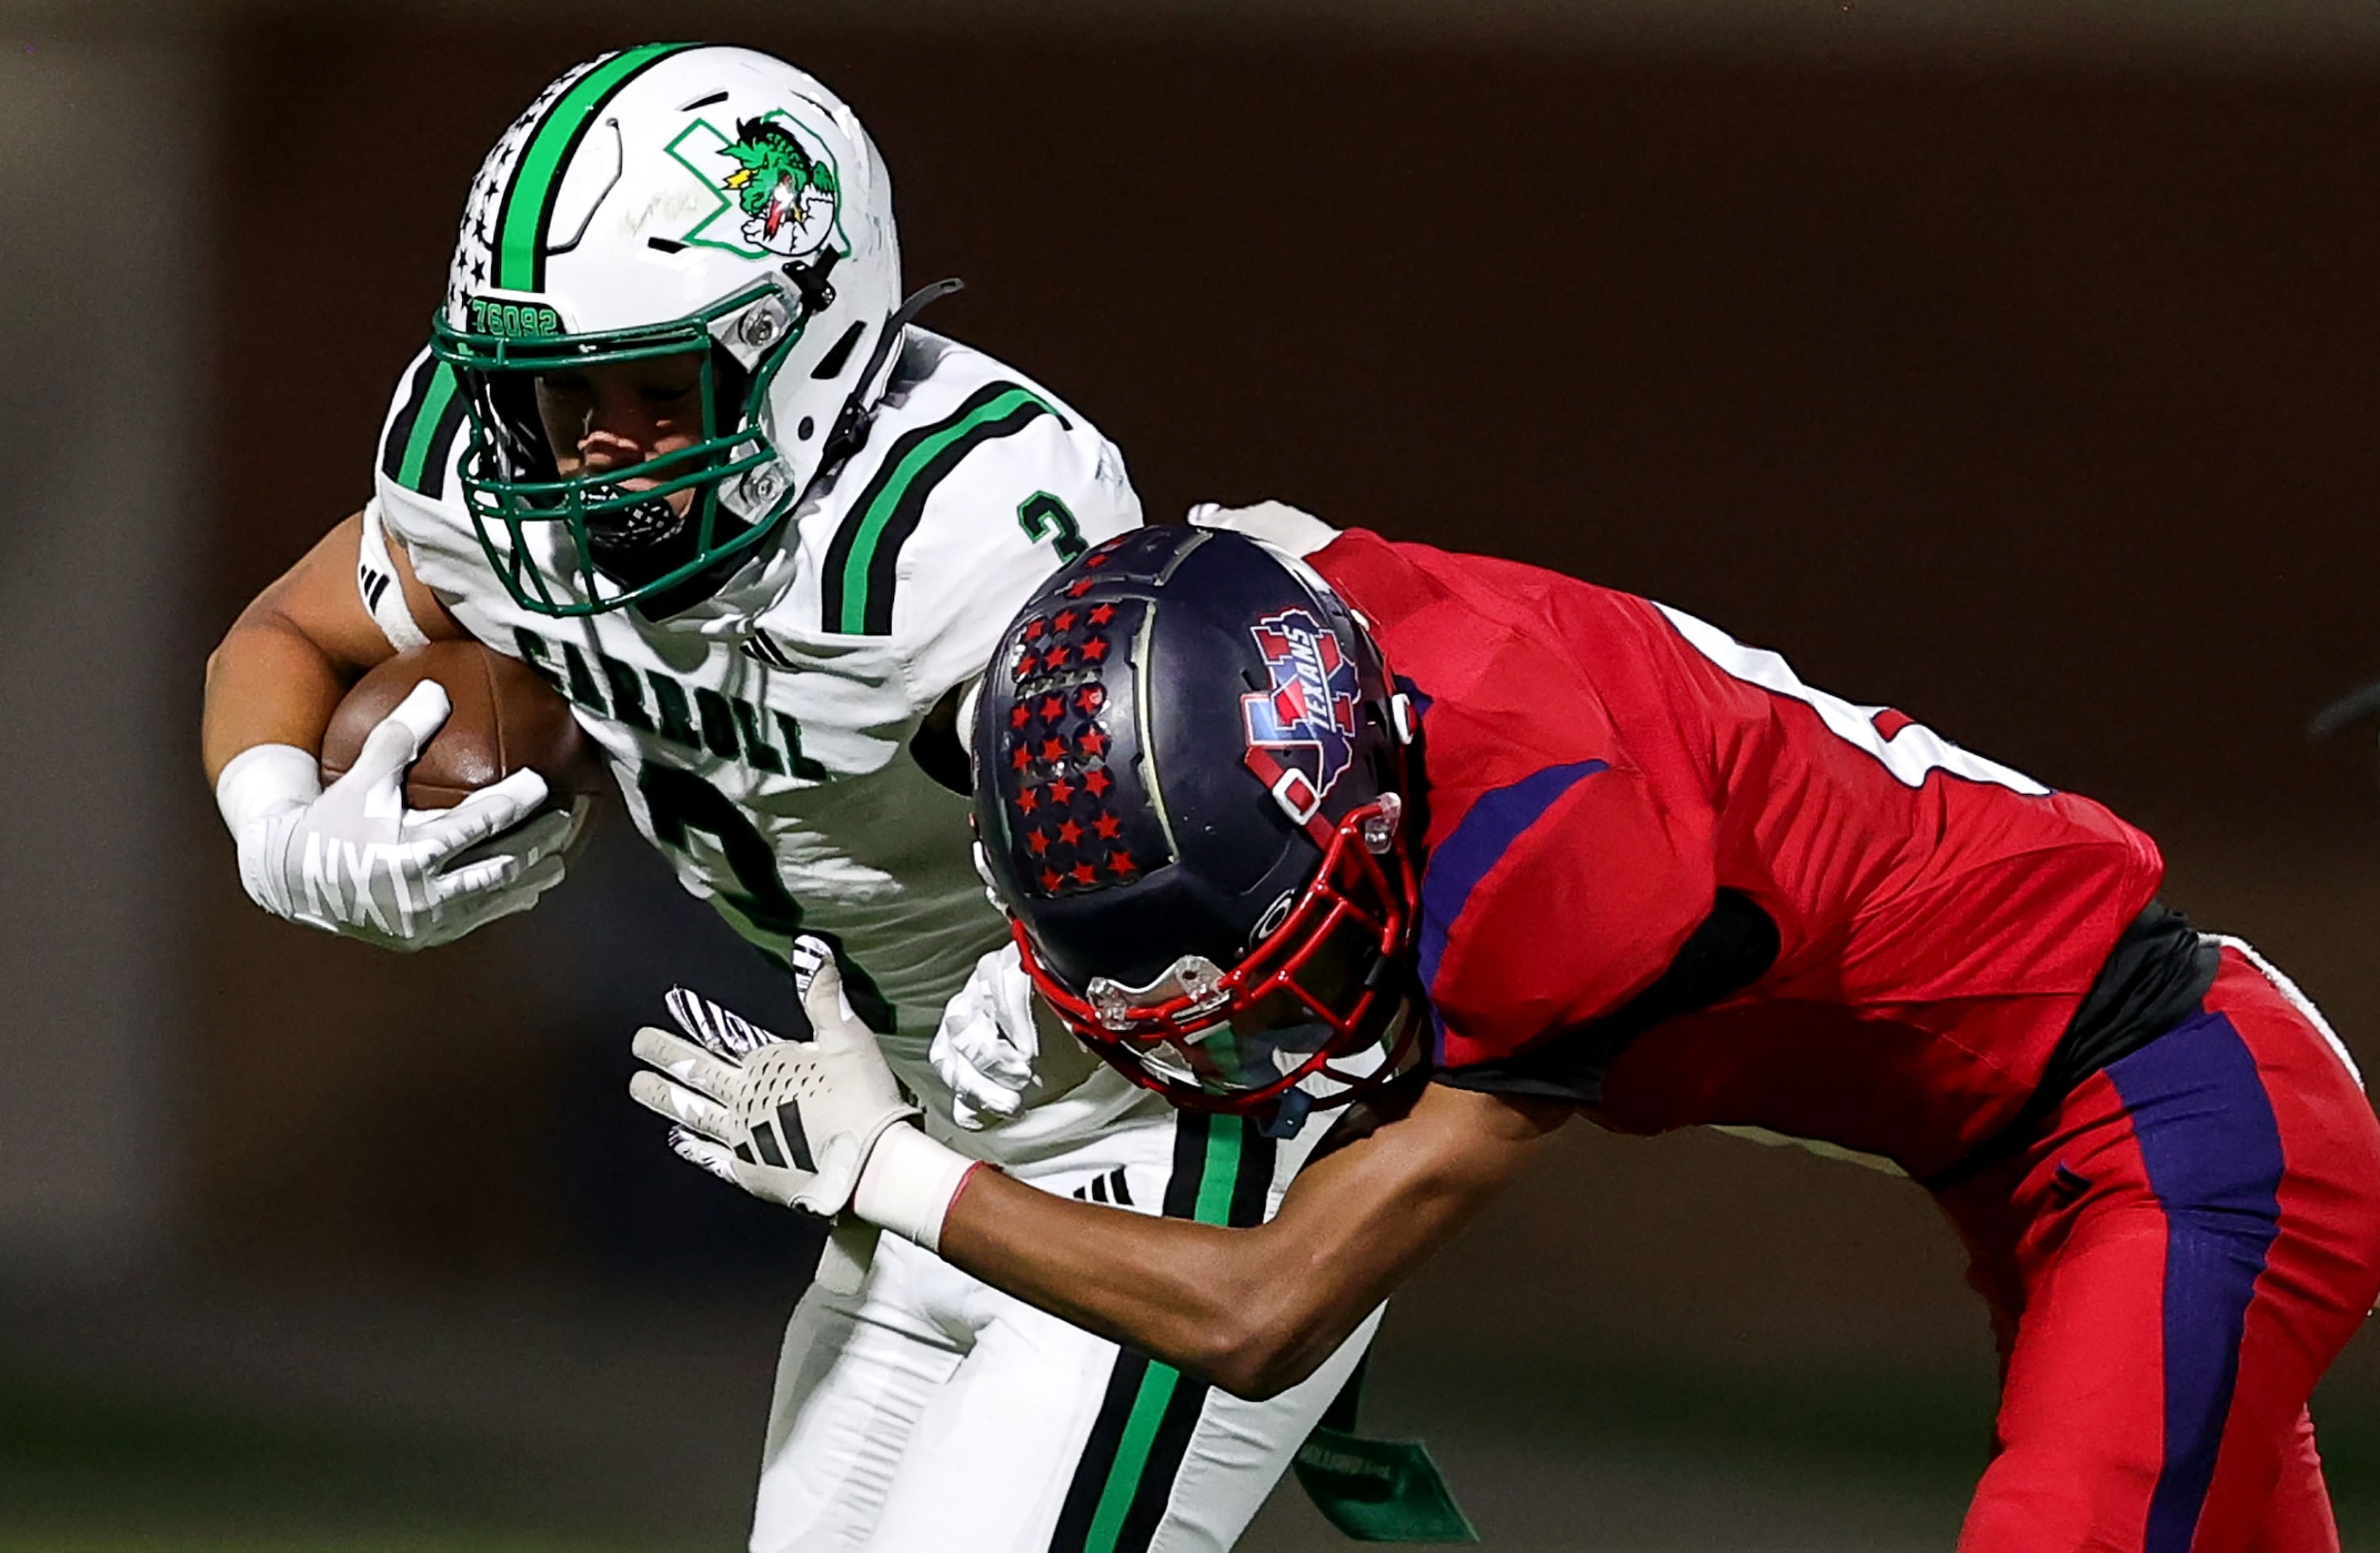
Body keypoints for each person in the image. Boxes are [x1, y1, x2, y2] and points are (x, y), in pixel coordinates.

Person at [633, 519, 2380, 1551]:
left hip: (2185, 1135)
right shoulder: (1315, 634)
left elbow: (1262, 1313)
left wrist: (896, 1173)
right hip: (2038, 1177)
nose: (1263, 1016)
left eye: (1284, 952)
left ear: (1373, 817)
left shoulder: (1561, 850)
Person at [202, 45, 1383, 1552]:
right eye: (557, 396)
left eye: (651, 387)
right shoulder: (489, 489)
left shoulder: (959, 534)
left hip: (1155, 1142)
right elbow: (286, 634)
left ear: (806, 346)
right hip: (891, 1145)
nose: (596, 454)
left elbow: (1228, 841)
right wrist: (275, 824)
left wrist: (1057, 972)